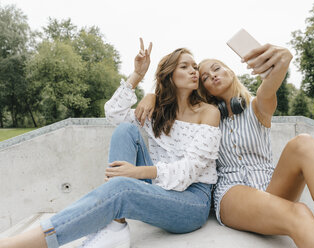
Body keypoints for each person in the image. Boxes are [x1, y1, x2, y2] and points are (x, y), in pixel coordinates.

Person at [136, 43, 314, 247]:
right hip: (232, 192)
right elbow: (175, 99)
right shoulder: (204, 117)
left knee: (304, 143)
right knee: (299, 213)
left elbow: (270, 84)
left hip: (271, 186)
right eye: (205, 77)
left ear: (231, 71)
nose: (212, 76)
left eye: (217, 68)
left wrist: (283, 59)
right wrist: (152, 95)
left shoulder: (257, 108)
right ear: (203, 88)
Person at [0, 38, 221, 248]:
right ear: (169, 76)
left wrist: (137, 173)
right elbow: (114, 114)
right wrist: (137, 75)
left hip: (191, 204)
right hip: (159, 191)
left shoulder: (208, 113)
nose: (194, 70)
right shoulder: (158, 113)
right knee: (125, 129)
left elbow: (189, 170)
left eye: (195, 66)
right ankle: (115, 226)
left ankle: (21, 243)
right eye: (185, 66)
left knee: (121, 186)